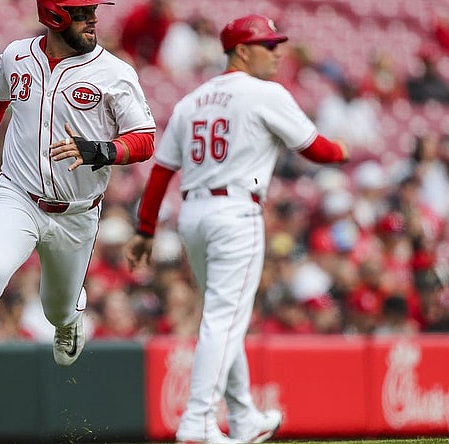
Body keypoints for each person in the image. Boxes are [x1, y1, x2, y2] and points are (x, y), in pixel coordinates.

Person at [0, 0, 156, 434]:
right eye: (83, 12)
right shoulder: (17, 55)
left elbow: (144, 139)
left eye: (93, 10)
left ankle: (70, 317)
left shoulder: (115, 72)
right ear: (55, 16)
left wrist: (101, 150)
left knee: (55, 308)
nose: (94, 19)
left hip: (77, 214)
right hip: (19, 197)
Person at [124, 14, 349, 444]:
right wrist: (343, 149)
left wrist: (146, 229)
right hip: (234, 214)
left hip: (193, 216)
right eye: (268, 44)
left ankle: (244, 417)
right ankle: (197, 421)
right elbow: (318, 150)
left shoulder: (193, 100)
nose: (277, 51)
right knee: (224, 320)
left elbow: (161, 172)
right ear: (242, 50)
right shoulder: (264, 93)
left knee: (223, 318)